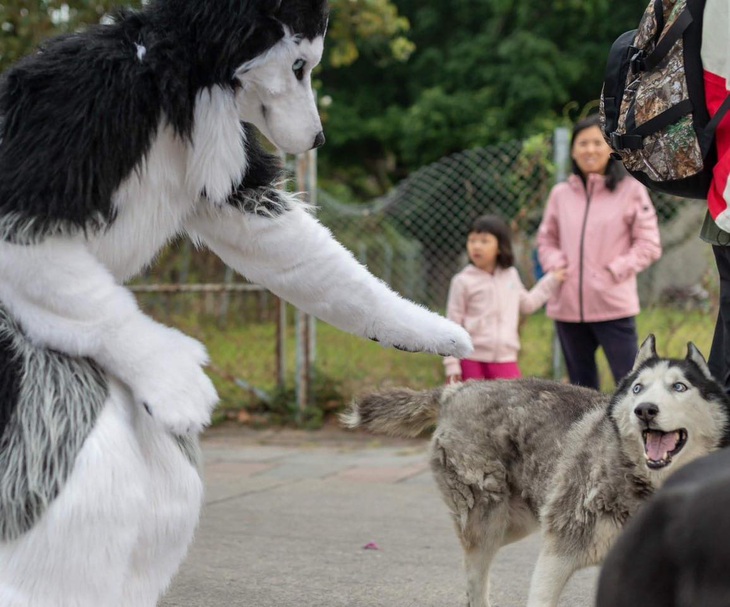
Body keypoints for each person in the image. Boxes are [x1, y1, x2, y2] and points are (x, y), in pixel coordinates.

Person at [536, 114, 662, 390]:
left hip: (613, 306)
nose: (589, 150)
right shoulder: (560, 194)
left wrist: (615, 270)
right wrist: (556, 264)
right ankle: (586, 435)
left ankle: (631, 434)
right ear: (572, 150)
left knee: (630, 384)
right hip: (567, 308)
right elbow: (546, 240)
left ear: (610, 149)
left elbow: (649, 244)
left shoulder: (631, 191)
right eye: (582, 143)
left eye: (597, 142)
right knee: (579, 391)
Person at [443, 214, 565, 383]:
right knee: (473, 407)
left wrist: (551, 280)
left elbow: (528, 304)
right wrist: (451, 364)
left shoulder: (511, 276)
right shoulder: (462, 281)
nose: (476, 246)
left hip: (506, 360)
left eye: (484, 241)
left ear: (500, 246)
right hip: (471, 359)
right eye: (472, 241)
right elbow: (452, 324)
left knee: (511, 406)